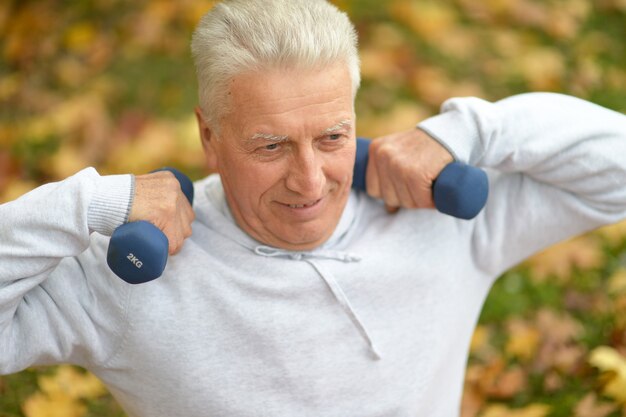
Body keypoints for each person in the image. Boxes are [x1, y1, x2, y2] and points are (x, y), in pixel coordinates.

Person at [1, 0, 625, 416]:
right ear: (209, 138)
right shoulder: (125, 271)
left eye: (332, 137)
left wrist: (468, 134)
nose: (309, 180)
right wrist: (89, 202)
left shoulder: (439, 220)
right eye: (270, 146)